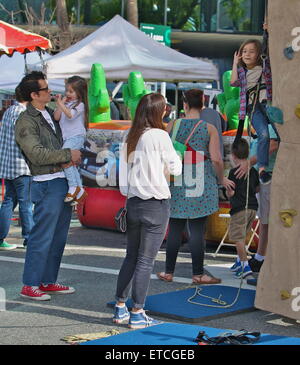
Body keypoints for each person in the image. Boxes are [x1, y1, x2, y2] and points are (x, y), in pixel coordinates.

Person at [113, 93, 182, 328]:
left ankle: (120, 307)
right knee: (145, 260)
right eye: (164, 109)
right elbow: (176, 167)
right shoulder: (160, 135)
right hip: (156, 203)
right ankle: (138, 311)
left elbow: (122, 179)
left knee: (131, 256)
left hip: (133, 203)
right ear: (158, 112)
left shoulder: (129, 135)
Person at [15, 71, 81, 301]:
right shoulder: (26, 120)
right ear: (34, 95)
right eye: (45, 89)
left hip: (61, 179)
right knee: (42, 236)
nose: (50, 91)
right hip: (46, 182)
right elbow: (36, 154)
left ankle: (48, 281)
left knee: (59, 236)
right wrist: (68, 154)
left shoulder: (48, 114)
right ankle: (30, 284)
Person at [157, 89, 234, 284]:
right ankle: (198, 274)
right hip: (200, 179)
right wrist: (221, 179)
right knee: (197, 229)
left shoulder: (172, 125)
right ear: (203, 105)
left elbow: (163, 152)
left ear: (184, 105)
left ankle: (168, 272)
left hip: (176, 178)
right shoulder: (209, 128)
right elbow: (216, 159)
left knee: (174, 226)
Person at [230, 23, 277, 185]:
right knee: (263, 134)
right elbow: (233, 81)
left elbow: (268, 50)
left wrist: (266, 32)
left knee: (279, 134)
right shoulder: (243, 72)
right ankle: (263, 169)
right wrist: (235, 63)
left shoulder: (265, 67)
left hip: (268, 104)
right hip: (253, 108)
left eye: (251, 51)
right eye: (244, 51)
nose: (247, 54)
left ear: (259, 54)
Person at [234, 125, 279, 285]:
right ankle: (261, 257)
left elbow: (273, 144)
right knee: (265, 220)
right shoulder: (265, 124)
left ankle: (267, 260)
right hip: (263, 177)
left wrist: (249, 162)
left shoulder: (271, 123)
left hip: (269, 176)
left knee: (270, 221)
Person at [0, 86, 34, 250]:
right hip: (22, 165)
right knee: (26, 204)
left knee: (8, 202)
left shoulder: (8, 111)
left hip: (8, 164)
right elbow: (26, 141)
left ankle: (0, 238)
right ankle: (29, 238)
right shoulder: (22, 114)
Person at [226, 138, 260, 279]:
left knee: (238, 238)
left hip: (239, 208)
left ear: (233, 156)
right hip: (252, 208)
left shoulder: (233, 172)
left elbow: (231, 193)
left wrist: (228, 192)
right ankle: (239, 261)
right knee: (243, 235)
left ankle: (245, 265)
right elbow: (257, 188)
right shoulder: (253, 171)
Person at [54, 76, 88, 205]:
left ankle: (73, 186)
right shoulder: (66, 104)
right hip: (68, 138)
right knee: (69, 162)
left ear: (79, 93)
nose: (67, 94)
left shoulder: (80, 105)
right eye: (66, 91)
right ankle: (80, 190)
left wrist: (62, 104)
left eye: (71, 91)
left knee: (64, 157)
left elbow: (70, 115)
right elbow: (57, 117)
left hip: (76, 136)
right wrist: (59, 104)